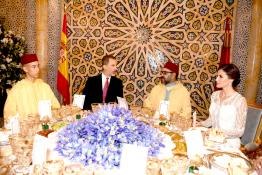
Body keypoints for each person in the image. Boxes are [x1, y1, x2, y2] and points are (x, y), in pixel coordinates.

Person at [199, 64, 247, 148]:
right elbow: (211, 120)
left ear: (231, 79)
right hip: (212, 140)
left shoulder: (240, 101)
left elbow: (240, 131)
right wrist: (200, 124)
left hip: (229, 144)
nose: (216, 79)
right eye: (217, 76)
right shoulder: (215, 95)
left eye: (220, 76)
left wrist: (216, 132)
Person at [4, 54, 60, 121]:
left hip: (47, 127)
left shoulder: (44, 87)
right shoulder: (17, 90)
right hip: (27, 129)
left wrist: (48, 115)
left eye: (38, 66)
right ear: (25, 69)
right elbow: (9, 116)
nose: (37, 69)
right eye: (34, 67)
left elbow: (56, 107)